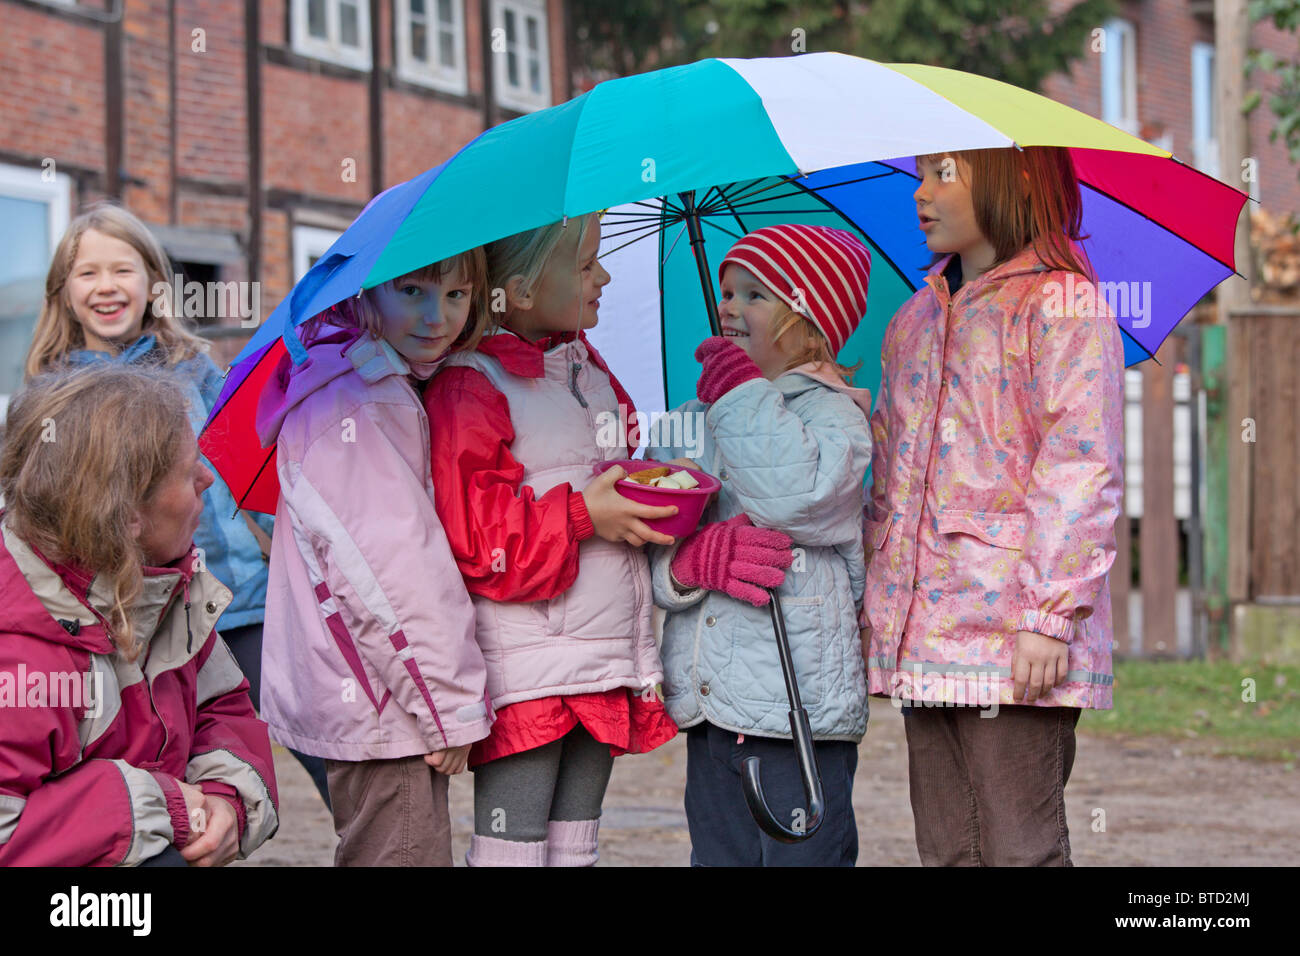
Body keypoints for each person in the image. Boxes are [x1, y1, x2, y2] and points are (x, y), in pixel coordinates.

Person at [862, 146, 1124, 866]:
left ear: (1015, 182)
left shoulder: (1061, 306)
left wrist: (1050, 615)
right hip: (928, 632)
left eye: (944, 173)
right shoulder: (913, 320)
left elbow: (1081, 463)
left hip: (1015, 638)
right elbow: (894, 477)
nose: (921, 192)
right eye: (920, 174)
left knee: (1020, 846)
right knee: (947, 847)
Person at [23, 201, 330, 807]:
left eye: (123, 270)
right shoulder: (51, 394)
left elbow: (250, 463)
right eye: (88, 274)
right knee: (164, 768)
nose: (106, 287)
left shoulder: (195, 372)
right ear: (63, 291)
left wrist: (294, 547)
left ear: (153, 284)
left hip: (241, 603)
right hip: (131, 622)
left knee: (324, 746)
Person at [424, 213, 679, 867]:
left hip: (603, 652)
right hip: (530, 667)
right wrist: (583, 516)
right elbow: (477, 538)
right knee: (512, 845)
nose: (605, 275)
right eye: (587, 263)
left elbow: (616, 463)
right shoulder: (471, 384)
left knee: (576, 843)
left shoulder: (590, 372)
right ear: (522, 289)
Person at [255, 249, 493, 867]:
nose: (437, 316)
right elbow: (390, 573)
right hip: (386, 698)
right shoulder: (363, 402)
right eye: (412, 291)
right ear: (363, 298)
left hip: (371, 690)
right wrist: (447, 704)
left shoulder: (363, 385)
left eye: (456, 296)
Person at [645, 223, 874, 866]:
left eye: (754, 294)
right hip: (715, 703)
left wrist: (741, 395)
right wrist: (686, 567)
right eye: (725, 291)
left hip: (795, 708)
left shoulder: (834, 416)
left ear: (809, 321)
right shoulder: (691, 418)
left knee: (801, 857)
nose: (728, 305)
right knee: (719, 856)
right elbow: (653, 542)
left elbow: (795, 496)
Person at [0, 363, 279, 866]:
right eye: (188, 468)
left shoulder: (168, 585)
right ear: (125, 514)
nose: (207, 478)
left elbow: (220, 710)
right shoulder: (19, 650)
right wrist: (156, 806)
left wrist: (224, 797)